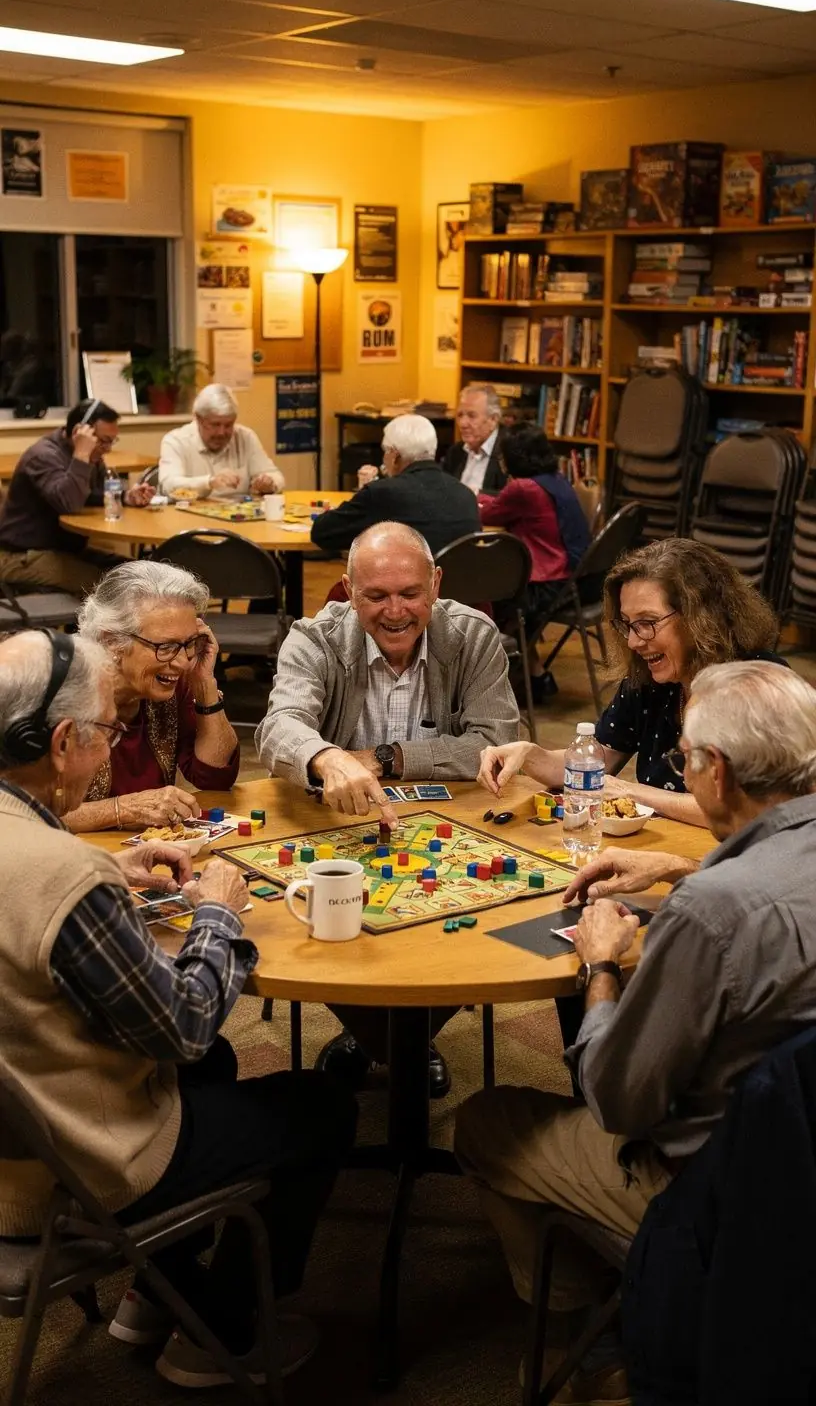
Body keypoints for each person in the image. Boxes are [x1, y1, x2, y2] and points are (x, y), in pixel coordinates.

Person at [0, 629, 356, 1388]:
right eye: (104, 734)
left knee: (221, 1067)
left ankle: (155, 1291)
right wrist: (219, 913)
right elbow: (187, 1024)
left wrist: (104, 868)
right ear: (60, 742)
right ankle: (220, 1334)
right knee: (320, 1104)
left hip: (14, 1131)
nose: (109, 748)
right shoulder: (63, 872)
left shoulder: (44, 849)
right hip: (68, 1170)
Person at [457, 661, 816, 1405]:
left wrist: (601, 967)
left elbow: (618, 1100)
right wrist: (681, 868)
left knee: (484, 1122)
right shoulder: (724, 891)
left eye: (685, 758)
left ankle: (596, 1340)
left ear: (713, 771)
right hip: (798, 1151)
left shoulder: (715, 911)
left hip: (726, 1189)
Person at [257, 520, 520, 1097]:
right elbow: (277, 729)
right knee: (312, 916)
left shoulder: (473, 635)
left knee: (482, 921)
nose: (395, 611)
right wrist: (326, 757)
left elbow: (496, 739)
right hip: (336, 825)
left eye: (411, 593)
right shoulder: (315, 637)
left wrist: (386, 757)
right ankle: (383, 1033)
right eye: (375, 595)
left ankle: (396, 1034)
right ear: (349, 591)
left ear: (437, 584)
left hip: (455, 825)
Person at [478, 537, 785, 828]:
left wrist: (632, 792)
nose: (635, 641)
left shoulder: (758, 685)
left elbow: (747, 812)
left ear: (700, 617)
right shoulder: (651, 680)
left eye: (648, 623)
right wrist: (532, 755)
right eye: (628, 625)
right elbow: (598, 760)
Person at [62, 560, 240, 833]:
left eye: (190, 643)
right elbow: (22, 812)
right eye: (166, 646)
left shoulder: (170, 684)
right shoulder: (56, 690)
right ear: (112, 641)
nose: (182, 662)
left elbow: (214, 776)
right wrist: (123, 809)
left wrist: (204, 683)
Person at [478, 422, 591, 701]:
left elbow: (491, 515)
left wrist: (471, 497)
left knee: (482, 599)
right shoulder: (555, 478)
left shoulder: (524, 488)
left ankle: (487, 682)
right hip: (575, 581)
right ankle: (537, 676)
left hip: (546, 583)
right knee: (510, 606)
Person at [0, 398, 154, 595]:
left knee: (138, 573)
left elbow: (89, 494)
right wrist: (82, 454)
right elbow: (70, 503)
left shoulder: (91, 455)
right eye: (103, 441)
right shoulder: (43, 456)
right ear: (79, 433)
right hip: (22, 556)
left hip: (64, 551)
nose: (108, 449)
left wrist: (125, 497)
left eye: (112, 441)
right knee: (114, 589)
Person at [310, 413, 479, 557]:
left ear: (394, 455)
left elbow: (322, 533)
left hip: (403, 592)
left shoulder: (383, 492)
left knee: (339, 592)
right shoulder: (466, 495)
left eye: (385, 452)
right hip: (462, 592)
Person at [159, 383, 284, 499]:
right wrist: (210, 482)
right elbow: (169, 485)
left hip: (239, 518)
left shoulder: (246, 437)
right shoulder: (176, 441)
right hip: (190, 519)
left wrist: (269, 483)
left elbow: (277, 477)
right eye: (215, 424)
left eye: (228, 425)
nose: (221, 432)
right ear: (198, 419)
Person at [442, 385, 507, 495]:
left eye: (471, 416)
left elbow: (509, 499)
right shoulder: (455, 452)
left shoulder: (508, 453)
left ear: (493, 419)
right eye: (460, 415)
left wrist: (475, 494)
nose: (462, 423)